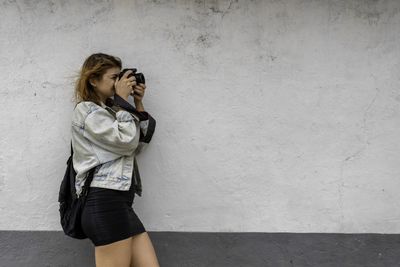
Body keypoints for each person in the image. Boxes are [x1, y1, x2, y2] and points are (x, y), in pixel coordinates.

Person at [71, 53, 160, 267]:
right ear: (93, 80)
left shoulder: (113, 112)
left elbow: (137, 146)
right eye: (114, 77)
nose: (120, 82)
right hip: (104, 202)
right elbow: (127, 141)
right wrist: (122, 103)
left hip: (121, 203)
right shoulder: (88, 111)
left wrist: (137, 103)